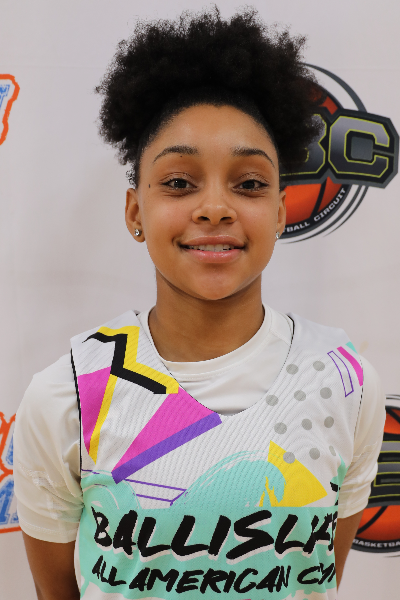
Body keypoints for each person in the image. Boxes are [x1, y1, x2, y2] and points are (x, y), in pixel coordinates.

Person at [14, 8, 385, 600]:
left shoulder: (346, 384)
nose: (215, 208)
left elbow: (318, 580)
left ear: (280, 212)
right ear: (135, 211)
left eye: (249, 183)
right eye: (179, 182)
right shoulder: (70, 396)